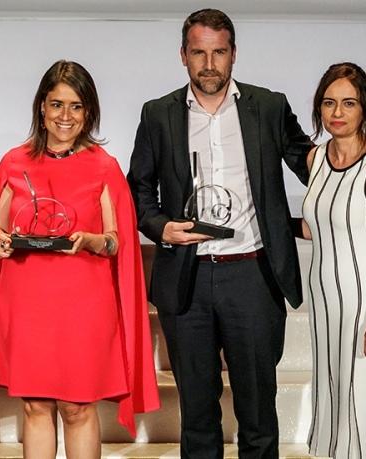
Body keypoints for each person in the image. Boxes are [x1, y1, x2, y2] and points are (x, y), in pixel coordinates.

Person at [127, 8, 314, 459]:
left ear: (233, 55)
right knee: (197, 415)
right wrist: (161, 227)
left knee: (257, 415)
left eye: (219, 53)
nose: (209, 64)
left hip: (251, 276)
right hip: (187, 280)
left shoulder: (268, 107)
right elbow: (138, 188)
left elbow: (313, 167)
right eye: (199, 53)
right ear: (183, 56)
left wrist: (364, 176)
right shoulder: (158, 114)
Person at [0, 60, 160, 458]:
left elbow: (116, 242)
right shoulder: (14, 161)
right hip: (25, 302)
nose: (65, 116)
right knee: (35, 404)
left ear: (88, 111)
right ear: (42, 106)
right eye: (57, 104)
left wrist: (92, 240)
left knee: (77, 407)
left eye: (76, 106)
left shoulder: (103, 166)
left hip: (84, 304)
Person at [301, 62, 366, 459]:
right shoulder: (316, 160)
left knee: (365, 405)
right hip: (326, 303)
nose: (337, 113)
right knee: (332, 399)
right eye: (328, 103)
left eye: (348, 103)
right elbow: (316, 228)